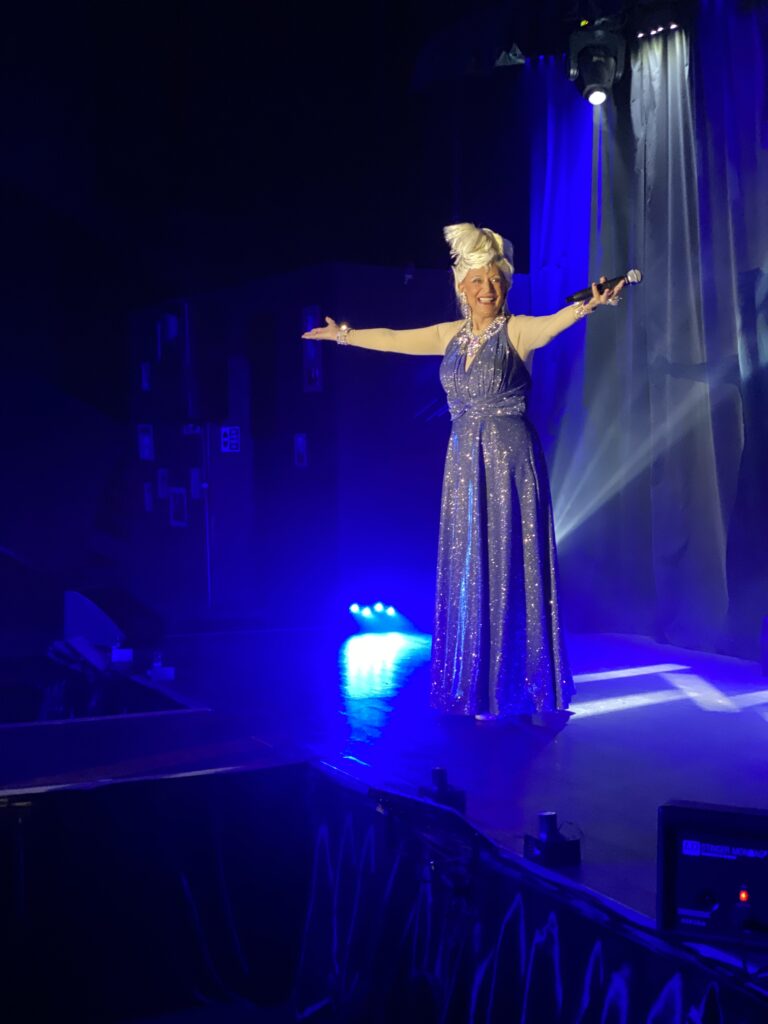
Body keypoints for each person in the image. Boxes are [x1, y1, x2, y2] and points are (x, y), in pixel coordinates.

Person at [302, 223, 623, 721]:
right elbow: (392, 339)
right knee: (472, 565)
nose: (487, 288)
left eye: (495, 280)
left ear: (505, 284)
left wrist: (589, 306)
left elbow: (552, 325)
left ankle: (518, 686)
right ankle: (474, 684)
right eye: (477, 280)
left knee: (510, 564)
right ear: (462, 287)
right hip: (463, 463)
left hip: (509, 457)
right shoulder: (449, 335)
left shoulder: (517, 330)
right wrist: (342, 335)